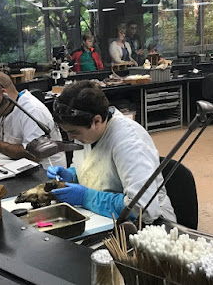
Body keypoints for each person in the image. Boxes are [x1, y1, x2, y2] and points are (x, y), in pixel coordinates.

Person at [47, 80, 176, 224]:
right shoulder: (86, 132)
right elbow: (93, 164)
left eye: (74, 132)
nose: (71, 138)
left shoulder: (128, 142)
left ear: (96, 121)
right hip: (104, 219)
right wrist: (72, 176)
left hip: (149, 228)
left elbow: (141, 208)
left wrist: (86, 197)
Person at [0, 71, 66, 169]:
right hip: (17, 166)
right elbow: (3, 137)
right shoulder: (5, 107)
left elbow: (34, 154)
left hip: (46, 173)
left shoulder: (33, 111)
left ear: (4, 94)